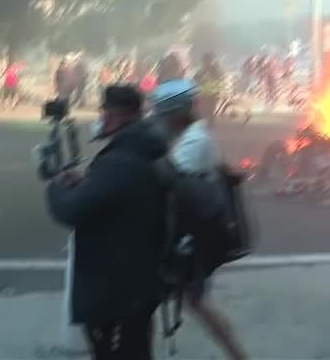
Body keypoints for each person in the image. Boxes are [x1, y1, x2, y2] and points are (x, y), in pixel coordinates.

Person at [46, 85, 166, 360]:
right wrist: (89, 182)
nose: (101, 118)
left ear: (114, 116)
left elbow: (72, 211)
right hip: (143, 275)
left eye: (104, 111)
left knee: (116, 353)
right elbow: (123, 195)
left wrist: (55, 186)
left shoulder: (119, 162)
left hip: (116, 284)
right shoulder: (148, 147)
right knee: (136, 349)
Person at [151, 79, 247, 360]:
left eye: (162, 114)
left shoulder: (194, 141)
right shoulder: (192, 135)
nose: (158, 120)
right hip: (189, 235)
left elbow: (164, 179)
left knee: (145, 304)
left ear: (177, 114)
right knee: (192, 302)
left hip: (187, 240)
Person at [193, 53, 225, 124]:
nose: (206, 63)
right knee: (203, 114)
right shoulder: (201, 72)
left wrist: (219, 94)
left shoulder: (216, 72)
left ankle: (208, 127)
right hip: (203, 96)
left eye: (208, 61)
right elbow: (194, 81)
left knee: (209, 114)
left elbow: (221, 82)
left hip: (212, 96)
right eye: (205, 61)